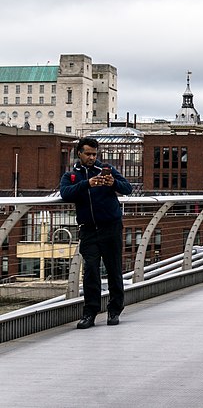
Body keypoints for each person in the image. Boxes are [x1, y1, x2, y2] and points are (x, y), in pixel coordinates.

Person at [59, 137, 132, 329]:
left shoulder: (106, 170)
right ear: (79, 154)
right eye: (88, 154)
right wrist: (88, 184)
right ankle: (90, 313)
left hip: (111, 227)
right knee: (91, 271)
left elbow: (128, 189)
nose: (92, 157)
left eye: (94, 154)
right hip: (88, 229)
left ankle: (114, 310)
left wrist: (112, 183)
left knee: (114, 269)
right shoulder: (71, 175)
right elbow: (65, 193)